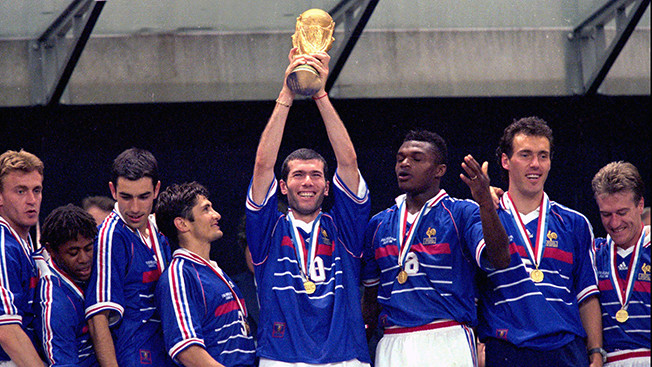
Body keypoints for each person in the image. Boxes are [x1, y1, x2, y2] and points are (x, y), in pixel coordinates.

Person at [245, 48, 371, 366]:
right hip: (281, 358)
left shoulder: (342, 228)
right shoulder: (268, 229)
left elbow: (348, 161)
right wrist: (287, 92)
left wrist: (320, 94)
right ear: (283, 186)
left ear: (328, 187)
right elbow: (262, 166)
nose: (308, 182)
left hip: (344, 357)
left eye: (316, 175)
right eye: (298, 175)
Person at [360, 130, 511, 367]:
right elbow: (370, 301)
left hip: (446, 337)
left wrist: (484, 203)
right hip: (392, 341)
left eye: (417, 159)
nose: (405, 164)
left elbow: (500, 259)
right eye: (400, 158)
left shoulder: (462, 213)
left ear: (439, 170)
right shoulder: (378, 224)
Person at [476, 116, 602, 367]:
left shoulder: (575, 223)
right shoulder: (485, 218)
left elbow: (586, 295)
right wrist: (479, 345)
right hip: (507, 349)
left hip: (566, 350)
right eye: (525, 155)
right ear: (505, 161)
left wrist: (596, 353)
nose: (535, 164)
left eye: (543, 156)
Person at [84, 148, 173, 367]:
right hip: (132, 358)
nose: (134, 208)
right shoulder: (110, 236)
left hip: (164, 355)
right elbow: (98, 318)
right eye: (126, 197)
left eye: (143, 197)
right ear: (113, 191)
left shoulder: (158, 233)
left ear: (157, 189)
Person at [154, 182, 256, 366]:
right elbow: (187, 351)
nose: (217, 215)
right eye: (206, 209)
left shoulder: (214, 271)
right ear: (182, 224)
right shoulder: (179, 276)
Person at [591, 162, 650, 366]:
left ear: (640, 205)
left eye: (622, 212)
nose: (614, 223)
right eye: (606, 214)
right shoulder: (594, 253)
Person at [33, 204, 98, 366]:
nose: (84, 259)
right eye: (73, 253)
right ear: (51, 250)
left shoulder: (102, 264)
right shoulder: (55, 303)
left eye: (88, 248)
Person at [0, 149, 45, 366]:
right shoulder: (2, 245)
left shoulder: (22, 240)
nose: (31, 200)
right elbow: (6, 330)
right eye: (20, 191)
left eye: (37, 190)